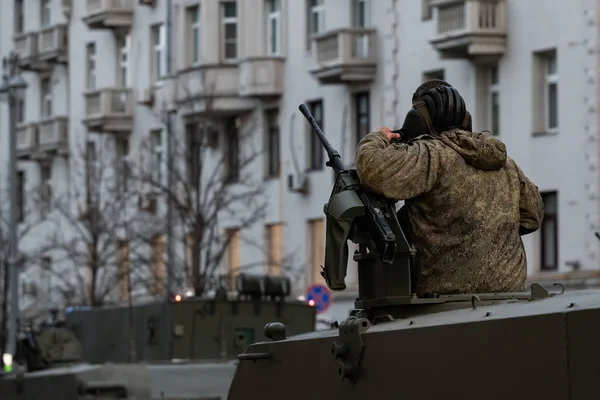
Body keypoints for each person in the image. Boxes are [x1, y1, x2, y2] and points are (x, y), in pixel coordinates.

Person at [355, 81, 544, 296]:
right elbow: (532, 217)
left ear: (418, 121)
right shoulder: (506, 165)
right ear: (466, 120)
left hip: (444, 304)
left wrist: (379, 137)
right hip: (508, 300)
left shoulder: (431, 155)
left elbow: (372, 169)